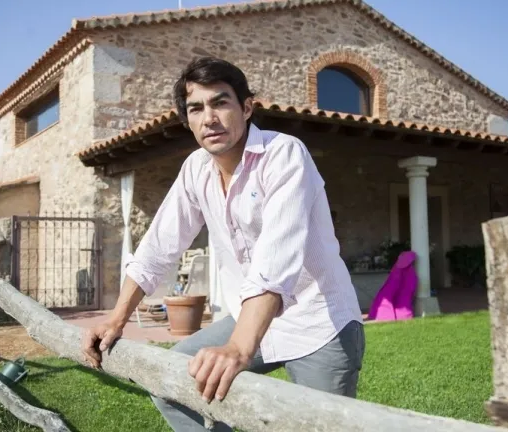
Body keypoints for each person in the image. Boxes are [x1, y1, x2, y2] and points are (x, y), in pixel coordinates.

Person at [81, 56, 365, 432]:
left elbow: (276, 260)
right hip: (246, 315)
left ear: (246, 108)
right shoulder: (195, 168)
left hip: (318, 321)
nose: (209, 118)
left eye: (220, 102)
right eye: (196, 108)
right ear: (187, 120)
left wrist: (238, 348)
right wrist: (116, 319)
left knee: (320, 427)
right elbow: (157, 248)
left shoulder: (284, 154)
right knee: (172, 384)